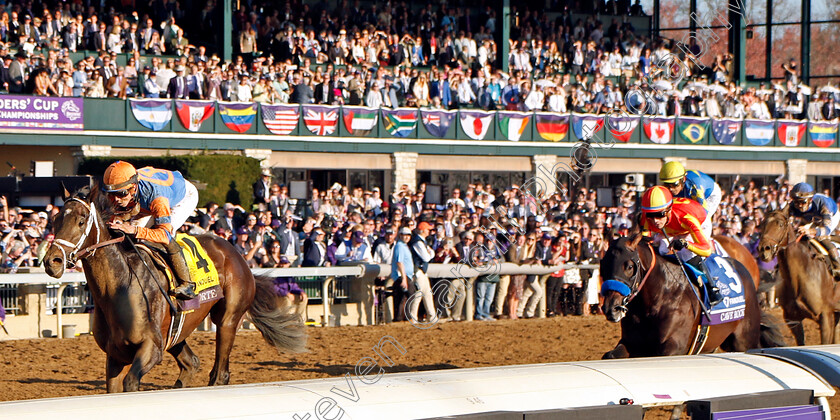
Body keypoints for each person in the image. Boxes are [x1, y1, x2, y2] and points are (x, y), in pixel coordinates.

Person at [102, 161, 198, 299]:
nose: (115, 199)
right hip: (147, 200)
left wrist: (134, 229)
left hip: (182, 198)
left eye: (121, 194)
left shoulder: (157, 197)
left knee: (163, 237)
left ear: (133, 188)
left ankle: (186, 283)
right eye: (111, 194)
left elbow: (163, 234)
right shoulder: (125, 187)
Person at [640, 185, 721, 305]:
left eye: (660, 214)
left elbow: (706, 249)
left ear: (668, 211)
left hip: (698, 222)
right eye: (650, 215)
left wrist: (685, 243)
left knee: (686, 254)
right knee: (661, 250)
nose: (655, 220)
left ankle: (711, 287)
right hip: (671, 227)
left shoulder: (686, 218)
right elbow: (645, 242)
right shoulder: (647, 218)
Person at [789, 182, 840, 279]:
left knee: (821, 237)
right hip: (811, 217)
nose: (799, 205)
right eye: (796, 202)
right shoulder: (792, 205)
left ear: (810, 200)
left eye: (803, 202)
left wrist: (810, 231)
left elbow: (826, 229)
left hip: (831, 216)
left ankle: (837, 266)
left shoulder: (824, 205)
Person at [659, 161, 722, 238]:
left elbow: (703, 212)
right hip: (688, 190)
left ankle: (706, 242)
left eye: (674, 184)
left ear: (683, 179)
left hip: (709, 195)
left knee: (703, 221)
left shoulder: (694, 188)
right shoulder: (675, 187)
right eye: (667, 184)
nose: (671, 189)